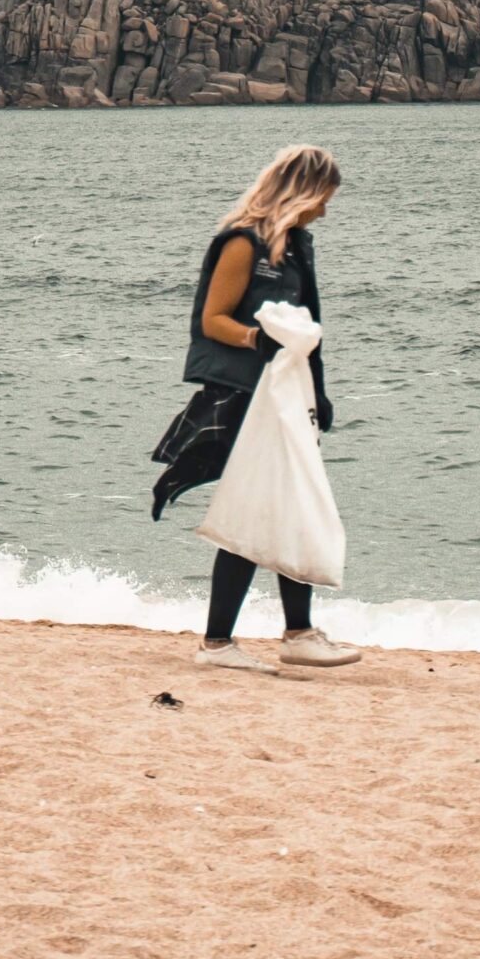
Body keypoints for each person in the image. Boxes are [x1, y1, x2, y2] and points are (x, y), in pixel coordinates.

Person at [151, 144, 361, 672]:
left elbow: (306, 331)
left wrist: (318, 392)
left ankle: (290, 634)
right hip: (247, 397)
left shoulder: (294, 247)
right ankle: (231, 643)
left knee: (285, 507)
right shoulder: (242, 244)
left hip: (285, 397)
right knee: (255, 510)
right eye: (323, 199)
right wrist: (254, 340)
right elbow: (213, 319)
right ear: (302, 192)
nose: (326, 210)